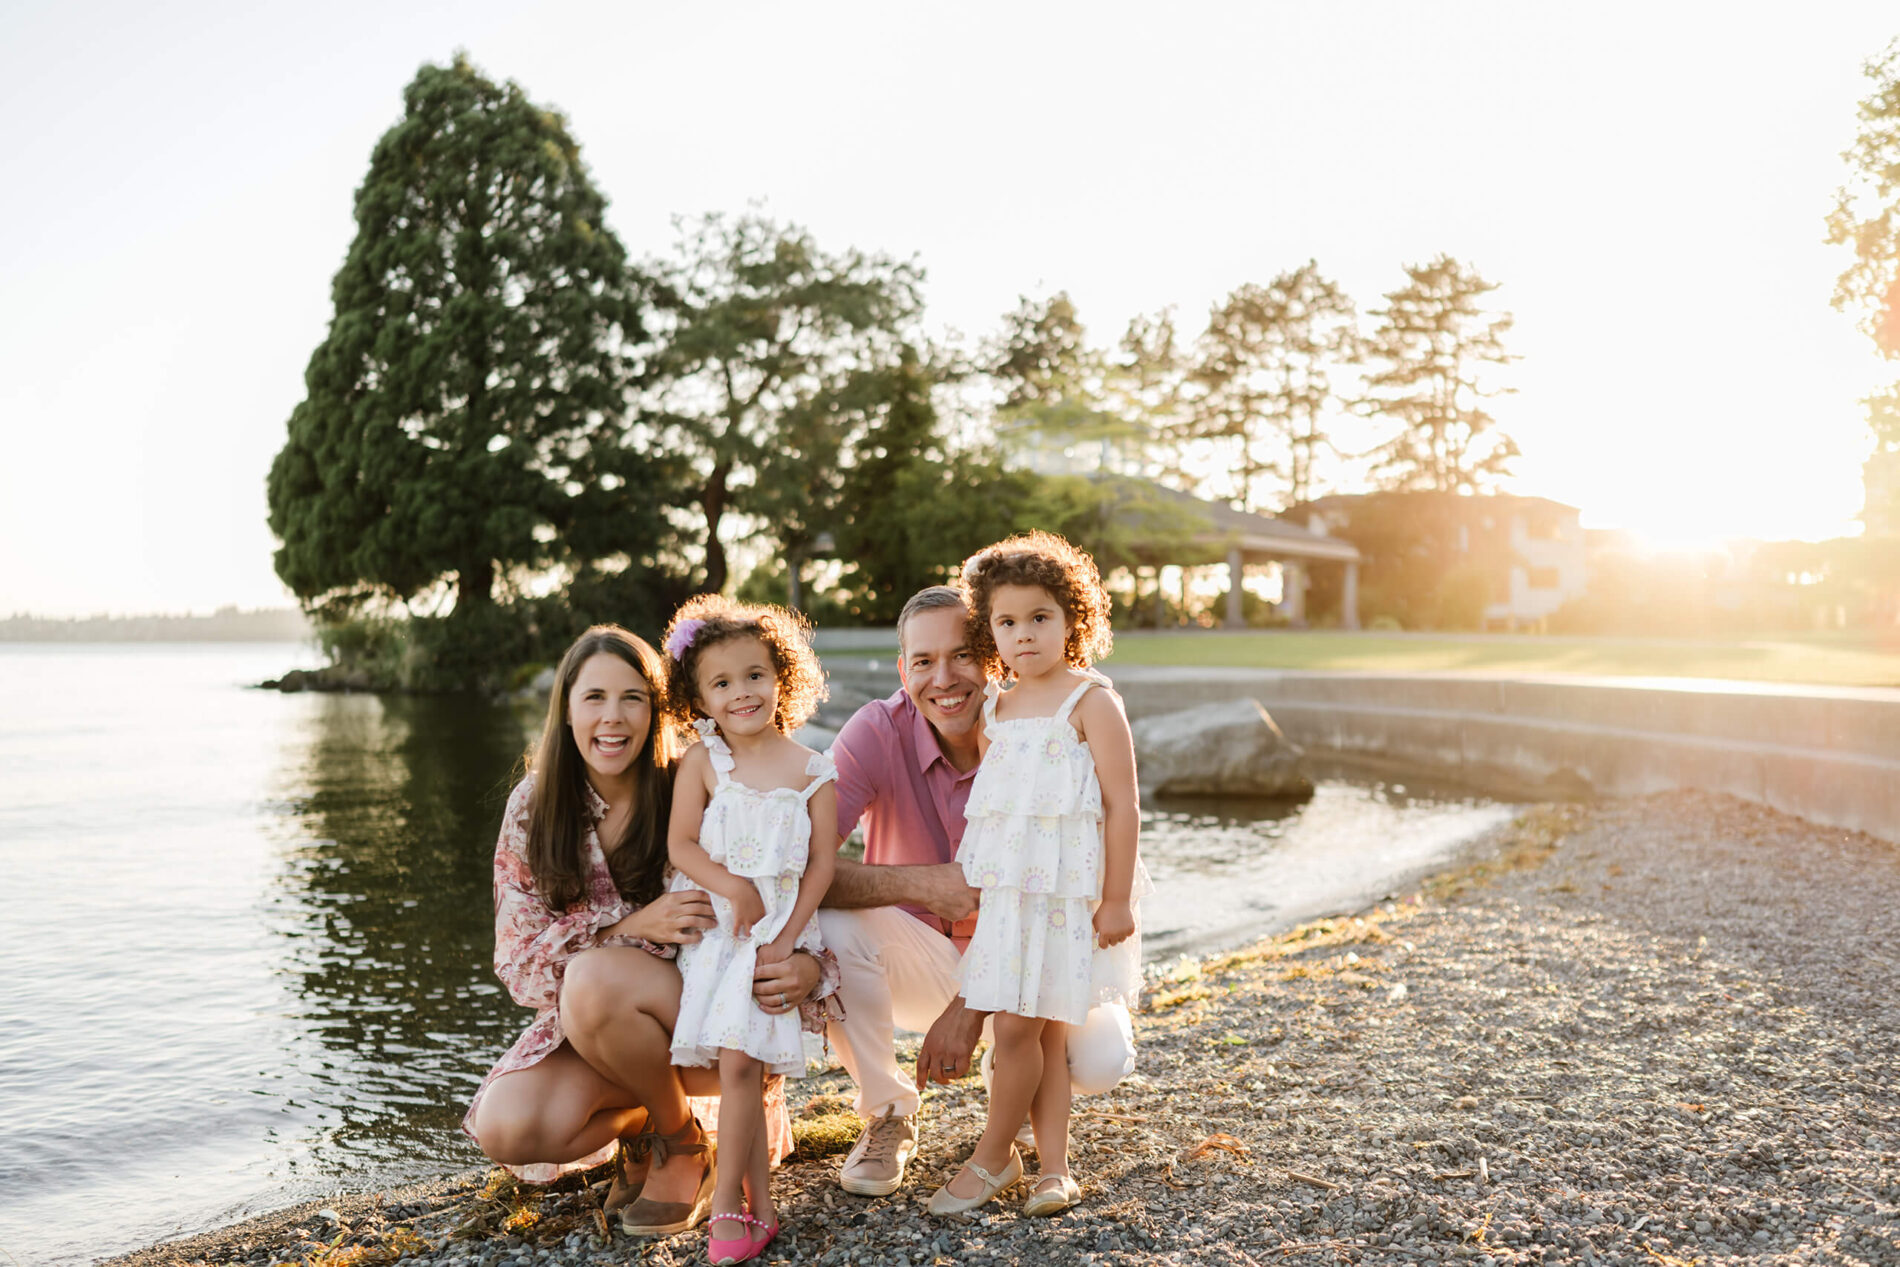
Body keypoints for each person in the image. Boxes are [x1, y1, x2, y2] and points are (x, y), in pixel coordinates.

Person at [462, 625, 838, 1239]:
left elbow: (793, 874)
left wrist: (815, 968)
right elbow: (519, 965)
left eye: (633, 697)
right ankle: (658, 1127)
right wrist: (626, 926)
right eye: (595, 698)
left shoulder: (696, 781)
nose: (614, 718)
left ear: (657, 708)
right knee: (508, 1127)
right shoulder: (535, 805)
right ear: (566, 709)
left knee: (592, 978)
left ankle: (682, 1152)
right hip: (604, 1028)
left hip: (716, 1019)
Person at [818, 586, 1138, 1199]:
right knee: (830, 931)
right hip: (918, 959)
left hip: (1033, 951)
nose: (943, 679)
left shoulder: (1046, 727)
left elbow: (1089, 853)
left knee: (1098, 1059)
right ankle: (888, 1113)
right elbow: (800, 867)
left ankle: (1015, 1101)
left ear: (992, 655)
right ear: (902, 668)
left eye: (962, 655)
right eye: (922, 662)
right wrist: (922, 882)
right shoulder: (875, 732)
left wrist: (970, 1008)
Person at [924, 531, 1148, 1217]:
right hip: (1013, 898)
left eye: (1040, 617)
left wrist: (1115, 898)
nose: (1024, 634)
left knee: (1018, 1030)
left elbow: (1122, 803)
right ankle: (1054, 1167)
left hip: (1069, 897)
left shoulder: (1090, 701)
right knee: (1042, 1031)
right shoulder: (997, 709)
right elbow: (1007, 813)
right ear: (990, 631)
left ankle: (992, 1154)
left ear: (1074, 617)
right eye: (1007, 621)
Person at [661, 595, 838, 1265]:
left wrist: (789, 935)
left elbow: (822, 865)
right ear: (700, 696)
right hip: (721, 936)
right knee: (742, 1067)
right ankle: (756, 1205)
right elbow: (681, 844)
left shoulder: (813, 769)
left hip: (779, 938)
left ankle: (729, 1208)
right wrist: (733, 885)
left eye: (755, 674)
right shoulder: (704, 761)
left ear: (781, 677)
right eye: (723, 682)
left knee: (743, 1065)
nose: (743, 692)